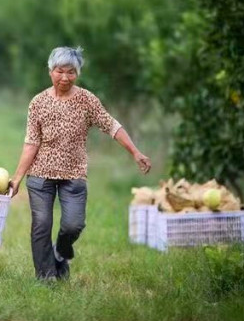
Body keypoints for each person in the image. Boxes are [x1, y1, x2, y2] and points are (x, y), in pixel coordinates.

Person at [8, 46, 151, 282]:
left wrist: (135, 152)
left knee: (73, 225)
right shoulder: (38, 103)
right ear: (50, 71)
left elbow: (112, 126)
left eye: (71, 72)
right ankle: (46, 278)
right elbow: (31, 143)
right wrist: (17, 178)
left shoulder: (87, 100)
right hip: (40, 175)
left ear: (78, 73)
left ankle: (60, 251)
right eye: (59, 71)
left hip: (73, 174)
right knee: (41, 225)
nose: (65, 77)